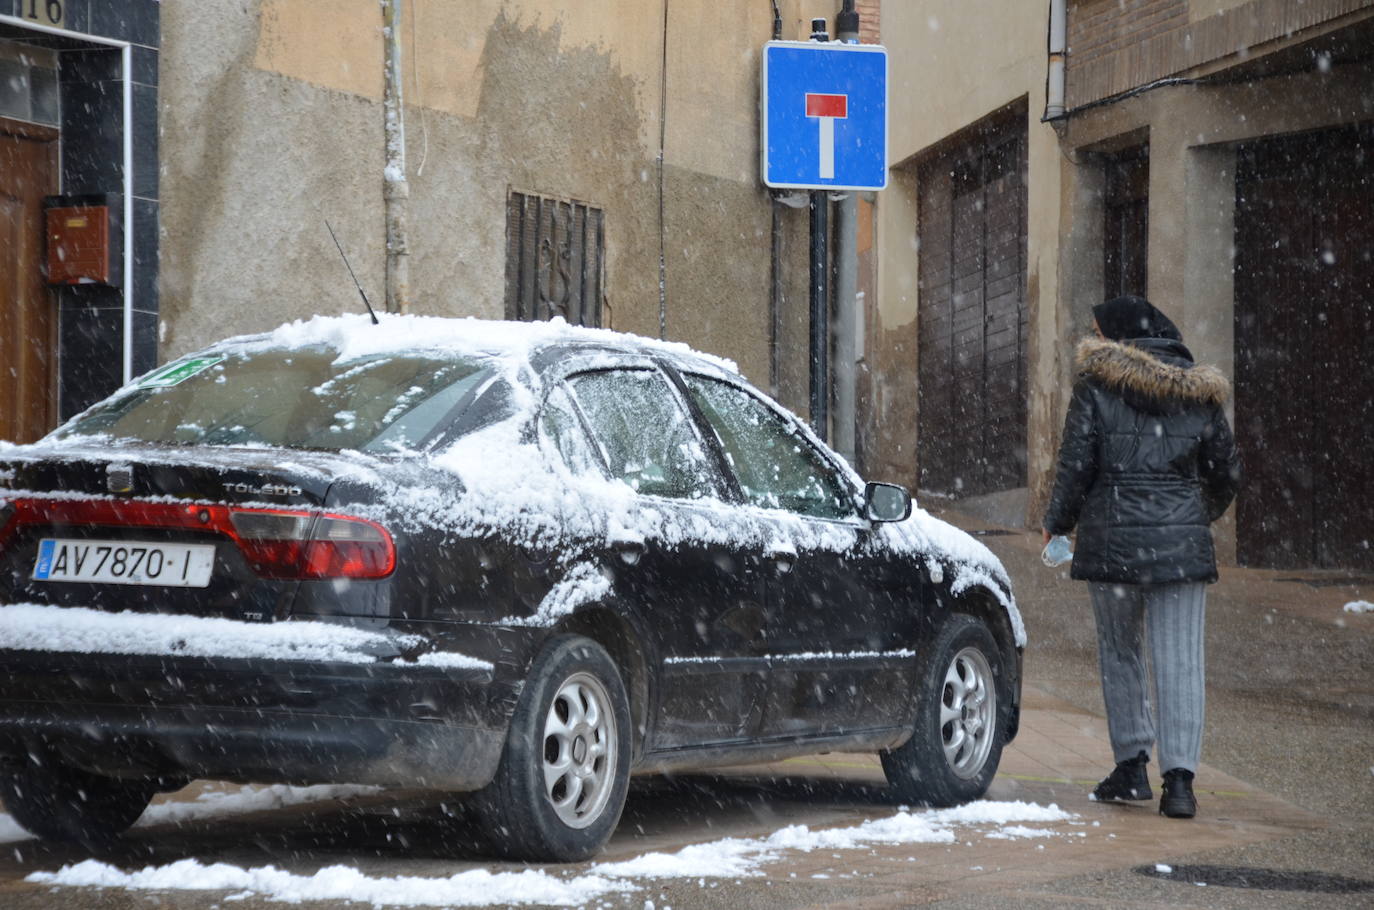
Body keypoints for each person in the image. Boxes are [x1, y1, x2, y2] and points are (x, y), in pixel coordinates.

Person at [1042, 295, 1241, 819]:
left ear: (1117, 337)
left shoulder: (1095, 388)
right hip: (1181, 547)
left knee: (1120, 653)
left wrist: (1057, 523)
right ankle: (1179, 783)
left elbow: (1075, 465)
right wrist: (1192, 516)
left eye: (1097, 330)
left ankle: (1131, 768)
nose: (1092, 337)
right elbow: (1227, 474)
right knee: (1181, 660)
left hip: (1111, 542)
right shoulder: (1200, 392)